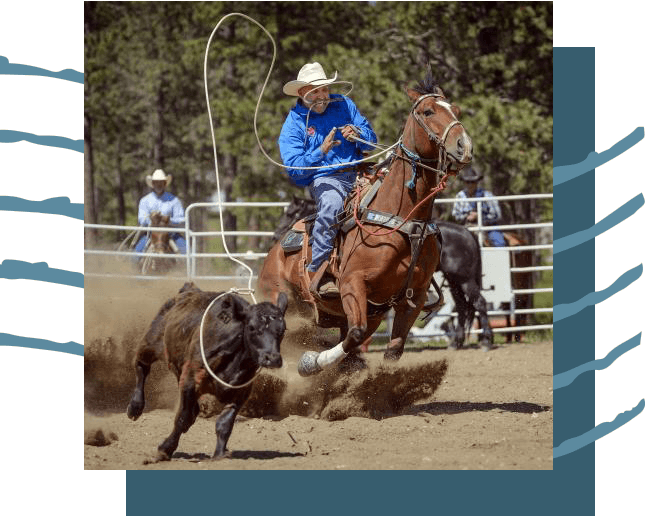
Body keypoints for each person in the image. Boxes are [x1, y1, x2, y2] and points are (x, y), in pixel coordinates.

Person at [279, 62, 377, 296]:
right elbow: (294, 170)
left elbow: (371, 139)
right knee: (331, 206)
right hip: (326, 179)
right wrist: (319, 151)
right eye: (315, 91)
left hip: (359, 172)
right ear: (302, 93)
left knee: (395, 193)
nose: (322, 96)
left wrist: (358, 136)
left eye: (324, 89)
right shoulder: (293, 124)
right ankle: (321, 271)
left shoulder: (344, 105)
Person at [134, 169, 186, 260]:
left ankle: (190, 272)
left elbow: (181, 219)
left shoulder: (174, 200)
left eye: (161, 182)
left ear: (165, 183)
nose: (159, 184)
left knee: (188, 253)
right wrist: (151, 219)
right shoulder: (145, 200)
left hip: (171, 233)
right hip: (150, 234)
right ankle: (132, 272)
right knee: (135, 257)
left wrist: (169, 220)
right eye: (156, 182)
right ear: (152, 184)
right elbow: (141, 219)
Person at [451, 165, 505, 247]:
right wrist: (467, 216)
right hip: (465, 226)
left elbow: (497, 214)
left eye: (472, 182)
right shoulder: (460, 196)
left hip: (487, 226)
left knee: (498, 241)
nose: (470, 184)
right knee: (451, 242)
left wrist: (479, 216)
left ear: (476, 182)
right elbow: (455, 215)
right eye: (467, 182)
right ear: (464, 182)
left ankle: (500, 258)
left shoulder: (486, 194)